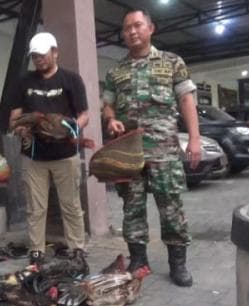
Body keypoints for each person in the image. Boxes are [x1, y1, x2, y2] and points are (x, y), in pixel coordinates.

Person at [101, 8, 200, 287]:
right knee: (132, 209)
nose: (131, 31)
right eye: (127, 28)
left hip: (164, 151)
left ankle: (178, 264)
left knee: (171, 208)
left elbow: (186, 101)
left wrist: (193, 139)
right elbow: (107, 103)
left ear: (150, 28)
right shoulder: (115, 71)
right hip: (128, 154)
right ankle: (138, 260)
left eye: (137, 25)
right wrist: (110, 120)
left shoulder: (172, 62)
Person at [8, 32, 89, 265]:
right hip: (33, 155)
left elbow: (84, 115)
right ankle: (36, 251)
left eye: (42, 55)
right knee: (35, 208)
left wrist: (71, 129)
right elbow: (14, 117)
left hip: (66, 154)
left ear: (55, 52)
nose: (39, 60)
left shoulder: (71, 80)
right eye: (35, 56)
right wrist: (21, 128)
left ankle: (77, 248)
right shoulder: (24, 82)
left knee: (71, 204)